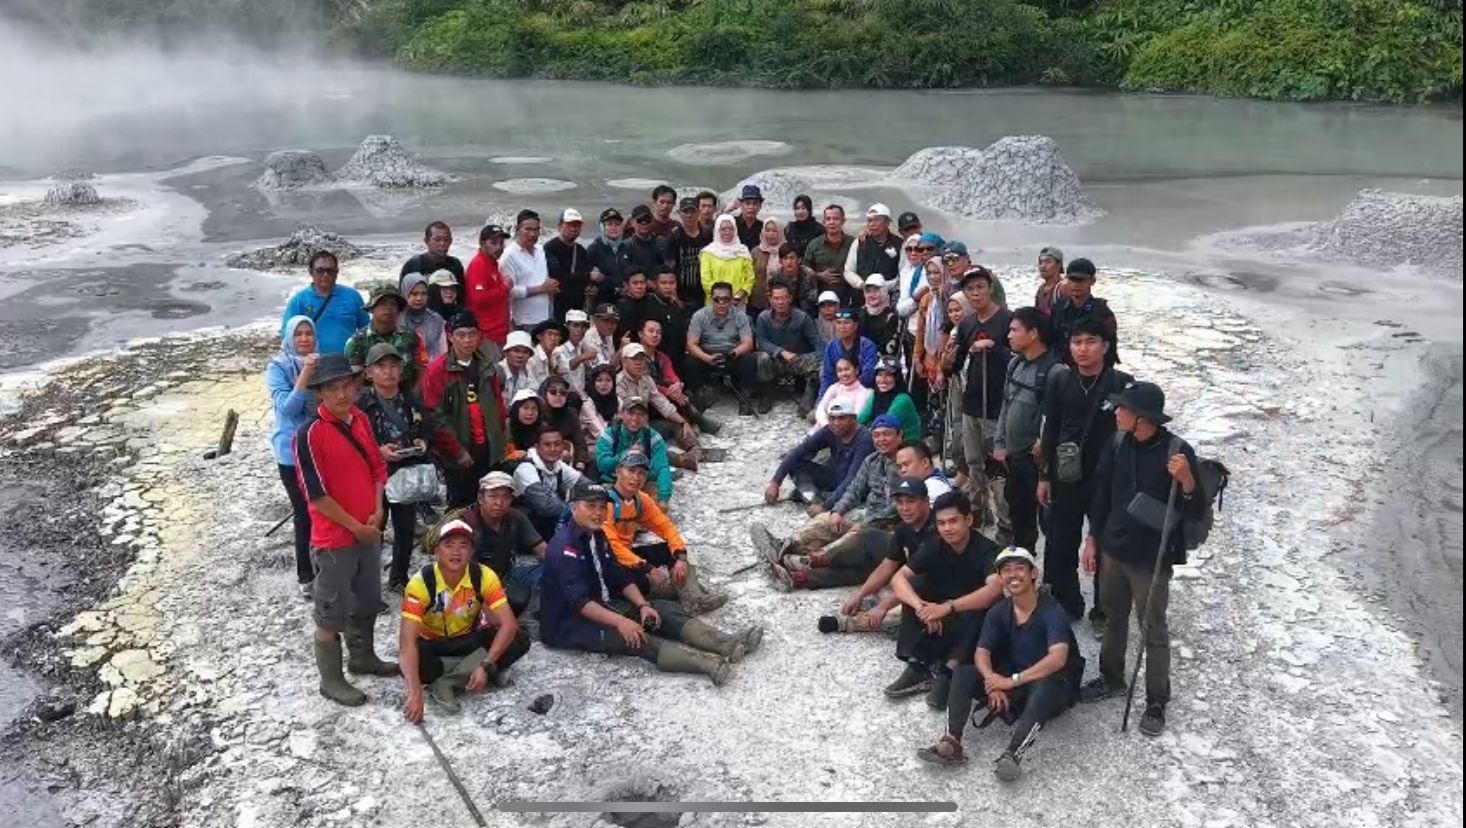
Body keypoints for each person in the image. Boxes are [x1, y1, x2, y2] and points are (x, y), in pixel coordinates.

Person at [540, 483, 762, 685]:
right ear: (573, 507)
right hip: (570, 624)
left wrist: (642, 605)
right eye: (591, 506)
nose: (598, 513)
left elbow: (617, 575)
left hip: (604, 602)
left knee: (663, 609)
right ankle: (708, 665)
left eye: (602, 507)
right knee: (637, 638)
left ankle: (729, 644)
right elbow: (581, 603)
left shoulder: (596, 535)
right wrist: (621, 622)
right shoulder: (564, 547)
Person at [1079, 381, 1204, 737]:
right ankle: (1112, 676)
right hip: (1114, 550)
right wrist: (1092, 540)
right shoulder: (1118, 443)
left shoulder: (1178, 452)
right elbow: (1101, 494)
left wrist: (1188, 481)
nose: (1116, 412)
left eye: (1123, 409)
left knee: (1153, 629)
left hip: (1151, 558)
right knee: (1114, 617)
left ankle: (1156, 700)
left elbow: (1195, 509)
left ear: (1142, 418)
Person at [916, 547, 1083, 779]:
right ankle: (951, 742)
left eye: (1019, 568)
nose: (1013, 575)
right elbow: (982, 652)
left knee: (1045, 686)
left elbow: (1058, 659)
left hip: (1053, 684)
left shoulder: (1052, 611)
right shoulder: (999, 611)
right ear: (1001, 578)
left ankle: (1012, 755)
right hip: (1013, 680)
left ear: (1034, 573)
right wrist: (992, 682)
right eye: (1006, 570)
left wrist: (1010, 682)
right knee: (965, 672)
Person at [292, 354, 398, 707]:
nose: (341, 395)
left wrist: (378, 511)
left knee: (366, 599)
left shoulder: (361, 420)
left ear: (355, 386)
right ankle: (331, 680)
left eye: (346, 386)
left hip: (368, 528)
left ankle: (362, 657)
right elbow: (317, 496)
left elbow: (376, 470)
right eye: (332, 389)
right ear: (319, 393)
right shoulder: (309, 434)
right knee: (330, 611)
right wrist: (355, 525)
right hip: (334, 538)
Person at [1039, 316, 1133, 621]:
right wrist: (1044, 475)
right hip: (1066, 474)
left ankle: (1103, 608)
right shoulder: (1060, 380)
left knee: (1105, 543)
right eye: (1077, 342)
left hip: (1108, 477)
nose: (1083, 349)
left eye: (1091, 342)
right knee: (1062, 539)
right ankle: (1068, 601)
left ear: (1105, 346)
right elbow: (1050, 429)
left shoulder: (1121, 384)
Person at [398, 518, 530, 722]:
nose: (456, 552)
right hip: (432, 643)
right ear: (436, 551)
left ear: (471, 552)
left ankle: (450, 681)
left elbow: (508, 624)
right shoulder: (420, 583)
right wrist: (415, 695)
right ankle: (476, 669)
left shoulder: (484, 576)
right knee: (416, 664)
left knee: (519, 639)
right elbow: (407, 642)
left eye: (463, 545)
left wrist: (484, 665)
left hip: (468, 638)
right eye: (448, 545)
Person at [357, 343, 465, 591]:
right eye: (381, 366)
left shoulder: (411, 399)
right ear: (369, 372)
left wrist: (422, 441)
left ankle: (398, 578)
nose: (388, 372)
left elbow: (426, 427)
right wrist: (378, 451)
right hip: (374, 478)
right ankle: (368, 586)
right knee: (375, 530)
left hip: (405, 474)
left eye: (394, 366)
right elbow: (355, 442)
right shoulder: (361, 405)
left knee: (405, 530)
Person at [753, 416, 903, 591]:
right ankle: (785, 546)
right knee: (827, 520)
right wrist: (837, 511)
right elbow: (854, 489)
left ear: (900, 436)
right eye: (877, 435)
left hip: (889, 527)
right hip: (867, 514)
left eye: (887, 435)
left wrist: (866, 525)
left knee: (854, 542)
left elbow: (898, 507)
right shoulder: (872, 460)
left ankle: (801, 566)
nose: (881, 440)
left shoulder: (906, 464)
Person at [884, 491, 1003, 704]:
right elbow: (898, 578)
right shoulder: (935, 545)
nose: (947, 528)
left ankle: (950, 672)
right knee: (915, 585)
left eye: (953, 521)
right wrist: (922, 607)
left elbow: (994, 590)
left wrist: (947, 608)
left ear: (968, 520)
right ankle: (918, 664)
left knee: (986, 607)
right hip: (942, 615)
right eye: (941, 523)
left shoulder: (987, 550)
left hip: (971, 619)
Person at [603, 449, 729, 613]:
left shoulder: (641, 500)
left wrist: (681, 556)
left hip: (628, 555)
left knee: (671, 551)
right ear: (618, 472)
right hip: (608, 562)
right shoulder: (604, 503)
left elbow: (665, 527)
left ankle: (693, 596)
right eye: (631, 471)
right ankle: (686, 590)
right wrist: (648, 568)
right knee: (642, 580)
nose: (635, 478)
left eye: (641, 473)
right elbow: (614, 548)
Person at [944, 267, 1013, 542]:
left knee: (998, 469)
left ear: (990, 288)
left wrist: (994, 349)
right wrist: (948, 363)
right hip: (972, 402)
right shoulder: (967, 324)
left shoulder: (1008, 320)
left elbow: (1019, 357)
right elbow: (955, 363)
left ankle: (1006, 526)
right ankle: (978, 513)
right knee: (973, 463)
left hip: (999, 407)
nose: (975, 293)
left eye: (980, 287)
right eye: (970, 289)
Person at [821, 477, 936, 634]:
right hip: (911, 585)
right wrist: (859, 594)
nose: (904, 508)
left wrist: (885, 606)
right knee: (873, 588)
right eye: (900, 502)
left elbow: (924, 581)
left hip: (938, 592)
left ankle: (846, 624)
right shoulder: (904, 529)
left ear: (925, 501)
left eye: (910, 501)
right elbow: (887, 566)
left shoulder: (937, 531)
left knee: (908, 612)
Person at [421, 311, 508, 508]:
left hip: (488, 446)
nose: (467, 340)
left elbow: (498, 406)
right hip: (459, 451)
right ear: (450, 337)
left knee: (489, 501)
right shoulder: (438, 370)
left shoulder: (487, 366)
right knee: (461, 506)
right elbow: (434, 416)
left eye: (472, 334)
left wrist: (501, 441)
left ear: (479, 336)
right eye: (461, 335)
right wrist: (457, 451)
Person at [993, 308, 1062, 556]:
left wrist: (1044, 441)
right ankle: (1022, 567)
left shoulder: (1055, 372)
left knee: (1050, 523)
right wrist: (999, 443)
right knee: (1019, 519)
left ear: (1033, 334)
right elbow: (1006, 404)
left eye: (1014, 330)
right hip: (1014, 459)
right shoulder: (1015, 364)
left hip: (1038, 464)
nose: (1008, 335)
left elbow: (1058, 417)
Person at [267, 316, 319, 599]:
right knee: (303, 513)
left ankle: (324, 564)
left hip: (319, 446)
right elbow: (287, 409)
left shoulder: (320, 361)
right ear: (289, 337)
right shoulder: (277, 367)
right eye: (298, 334)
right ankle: (305, 574)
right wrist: (306, 375)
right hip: (290, 451)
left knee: (325, 507)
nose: (304, 339)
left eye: (308, 333)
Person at [454, 471, 548, 614]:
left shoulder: (515, 518)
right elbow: (458, 570)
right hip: (472, 583)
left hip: (505, 575)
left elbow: (542, 549)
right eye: (493, 496)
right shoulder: (467, 524)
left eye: (506, 497)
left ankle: (535, 617)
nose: (499, 503)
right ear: (481, 498)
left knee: (547, 573)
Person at [762, 399, 873, 508]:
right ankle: (812, 496)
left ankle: (815, 496)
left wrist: (825, 506)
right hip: (837, 477)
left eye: (842, 418)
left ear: (853, 419)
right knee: (794, 462)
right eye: (832, 418)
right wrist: (775, 482)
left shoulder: (864, 440)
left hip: (857, 487)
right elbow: (798, 451)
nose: (836, 423)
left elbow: (852, 479)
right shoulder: (830, 430)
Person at [684, 282, 759, 416]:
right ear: (711, 299)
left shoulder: (740, 316)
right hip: (707, 354)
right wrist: (706, 358)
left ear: (731, 300)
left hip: (732, 354)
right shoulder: (699, 316)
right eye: (717, 299)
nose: (721, 303)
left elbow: (748, 343)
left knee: (749, 359)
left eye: (726, 299)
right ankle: (699, 395)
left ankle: (745, 397)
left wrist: (732, 354)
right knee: (689, 360)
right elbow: (691, 344)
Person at [640, 318, 721, 436]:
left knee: (690, 395)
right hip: (648, 397)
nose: (655, 335)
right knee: (680, 398)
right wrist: (669, 391)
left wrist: (677, 386)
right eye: (651, 331)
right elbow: (646, 382)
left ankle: (692, 420)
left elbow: (671, 375)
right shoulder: (636, 356)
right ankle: (695, 420)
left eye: (658, 332)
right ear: (640, 333)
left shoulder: (662, 356)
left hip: (668, 395)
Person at [753, 279, 822, 415]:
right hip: (775, 360)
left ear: (790, 298)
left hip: (796, 359)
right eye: (776, 298)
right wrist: (780, 352)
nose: (780, 302)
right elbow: (761, 341)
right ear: (770, 299)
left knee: (819, 364)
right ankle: (766, 393)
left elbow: (818, 343)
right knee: (762, 358)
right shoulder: (763, 318)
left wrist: (809, 357)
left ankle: (808, 399)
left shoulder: (802, 318)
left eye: (784, 298)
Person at [280, 251, 368, 356]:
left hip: (347, 365)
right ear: (311, 272)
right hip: (313, 366)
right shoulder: (299, 301)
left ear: (337, 272)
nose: (325, 275)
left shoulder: (352, 296)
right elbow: (287, 336)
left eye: (330, 271)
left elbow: (367, 330)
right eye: (320, 270)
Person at [617, 343, 699, 455]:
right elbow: (623, 415)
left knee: (676, 426)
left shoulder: (646, 379)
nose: (639, 362)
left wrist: (683, 422)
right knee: (650, 447)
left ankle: (695, 450)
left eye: (641, 358)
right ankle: (677, 461)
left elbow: (662, 403)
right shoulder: (619, 382)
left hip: (645, 423)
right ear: (624, 361)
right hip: (627, 428)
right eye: (634, 359)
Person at [594, 397, 674, 507]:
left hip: (643, 483)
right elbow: (603, 465)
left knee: (657, 507)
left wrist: (663, 499)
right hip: (613, 482)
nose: (635, 418)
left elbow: (662, 468)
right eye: (630, 413)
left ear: (646, 417)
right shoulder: (609, 435)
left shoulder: (654, 438)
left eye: (640, 414)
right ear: (621, 414)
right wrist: (626, 454)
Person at [345, 285, 427, 391]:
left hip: (406, 396)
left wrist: (414, 398)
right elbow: (353, 381)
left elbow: (421, 369)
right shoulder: (357, 342)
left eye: (393, 304)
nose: (388, 308)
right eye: (382, 303)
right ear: (372, 308)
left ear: (398, 309)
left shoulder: (412, 337)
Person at [512, 423, 584, 542]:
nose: (553, 449)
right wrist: (582, 511)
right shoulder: (525, 468)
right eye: (547, 445)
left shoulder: (560, 466)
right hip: (526, 534)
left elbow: (586, 486)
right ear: (537, 447)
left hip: (549, 529)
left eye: (557, 444)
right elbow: (546, 505)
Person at [1051, 258, 1120, 368]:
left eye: (1081, 280)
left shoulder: (1102, 313)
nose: (1075, 284)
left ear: (1092, 281)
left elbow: (1109, 352)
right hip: (1062, 368)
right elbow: (1053, 341)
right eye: (1072, 279)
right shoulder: (1059, 307)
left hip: (1091, 371)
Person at [502, 210, 557, 330]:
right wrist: (541, 289)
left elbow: (545, 280)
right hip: (525, 320)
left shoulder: (541, 250)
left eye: (536, 229)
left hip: (546, 315)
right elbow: (508, 291)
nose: (533, 234)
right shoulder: (509, 255)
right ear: (517, 229)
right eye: (528, 229)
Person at [463, 223, 512, 348]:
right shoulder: (478, 265)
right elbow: (479, 299)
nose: (499, 247)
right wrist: (505, 287)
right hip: (487, 335)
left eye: (501, 243)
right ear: (482, 243)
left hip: (499, 332)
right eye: (493, 243)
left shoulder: (493, 263)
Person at [543, 208, 593, 319]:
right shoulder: (549, 248)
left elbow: (587, 275)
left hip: (578, 308)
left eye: (577, 225)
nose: (573, 228)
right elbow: (559, 277)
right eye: (569, 225)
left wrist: (590, 283)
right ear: (560, 226)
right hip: (556, 307)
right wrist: (587, 276)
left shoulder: (581, 250)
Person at [842, 203, 902, 295]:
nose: (872, 224)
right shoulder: (859, 242)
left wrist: (883, 286)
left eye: (877, 220)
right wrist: (862, 285)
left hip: (889, 298)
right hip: (861, 298)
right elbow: (849, 271)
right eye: (869, 221)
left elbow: (903, 274)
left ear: (887, 222)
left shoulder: (899, 244)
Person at [819, 308, 878, 398]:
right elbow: (828, 376)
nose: (842, 327)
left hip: (863, 391)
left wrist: (849, 389)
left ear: (855, 325)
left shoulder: (867, 345)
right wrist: (821, 400)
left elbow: (869, 374)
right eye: (838, 323)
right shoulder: (831, 346)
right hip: (839, 391)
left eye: (846, 323)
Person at [665, 197, 711, 309]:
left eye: (692, 211)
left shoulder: (708, 235)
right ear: (680, 213)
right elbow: (669, 269)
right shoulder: (674, 236)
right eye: (686, 211)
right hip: (682, 296)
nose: (689, 215)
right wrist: (674, 296)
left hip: (704, 294)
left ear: (699, 212)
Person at [804, 204, 854, 306]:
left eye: (836, 219)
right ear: (824, 222)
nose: (832, 222)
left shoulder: (853, 243)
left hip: (849, 301)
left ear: (843, 221)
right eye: (828, 219)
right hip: (822, 302)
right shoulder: (814, 245)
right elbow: (804, 268)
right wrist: (818, 275)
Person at [859, 359, 920, 443]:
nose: (883, 380)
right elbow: (861, 419)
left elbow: (884, 424)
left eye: (888, 375)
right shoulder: (875, 395)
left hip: (905, 447)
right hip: (884, 442)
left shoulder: (903, 399)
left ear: (896, 378)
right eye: (879, 375)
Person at [700, 215, 755, 306]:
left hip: (737, 303)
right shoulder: (708, 253)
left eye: (731, 229)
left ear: (735, 230)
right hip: (715, 303)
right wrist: (723, 299)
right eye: (723, 229)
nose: (727, 232)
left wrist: (738, 296)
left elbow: (750, 279)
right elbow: (706, 281)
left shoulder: (743, 251)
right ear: (717, 230)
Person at [539, 374, 590, 468]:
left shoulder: (571, 414)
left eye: (563, 393)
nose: (558, 395)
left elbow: (580, 444)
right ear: (544, 394)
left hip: (568, 465)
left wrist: (580, 467)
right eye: (553, 392)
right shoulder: (538, 414)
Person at [398, 273, 448, 362]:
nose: (419, 298)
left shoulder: (436, 320)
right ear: (405, 293)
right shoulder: (396, 319)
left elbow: (444, 353)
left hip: (431, 371)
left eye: (423, 293)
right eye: (414, 293)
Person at [815, 357, 873, 432]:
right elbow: (821, 409)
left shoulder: (865, 392)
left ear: (856, 370)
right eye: (840, 370)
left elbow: (856, 417)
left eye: (847, 369)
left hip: (850, 432)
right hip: (828, 428)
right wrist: (826, 426)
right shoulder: (835, 388)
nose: (843, 374)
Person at [942, 241, 1006, 308]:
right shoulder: (947, 287)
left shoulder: (986, 279)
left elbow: (1001, 306)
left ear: (967, 258)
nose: (950, 264)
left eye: (954, 259)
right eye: (945, 261)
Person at [647, 268, 690, 366]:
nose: (668, 287)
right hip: (657, 359)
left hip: (678, 357)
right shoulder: (648, 304)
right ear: (655, 284)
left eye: (672, 283)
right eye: (663, 283)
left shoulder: (677, 305)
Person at [619, 205, 665, 291]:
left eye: (647, 220)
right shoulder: (625, 246)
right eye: (640, 220)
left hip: (660, 290)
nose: (644, 223)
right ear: (632, 222)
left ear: (652, 221)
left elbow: (668, 268)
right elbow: (626, 273)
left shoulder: (662, 242)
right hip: (636, 291)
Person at [586, 208, 628, 302]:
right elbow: (590, 278)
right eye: (609, 224)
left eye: (617, 224)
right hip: (602, 301)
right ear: (602, 227)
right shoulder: (593, 249)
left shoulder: (627, 247)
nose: (614, 227)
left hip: (625, 299)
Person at [858, 274, 901, 359]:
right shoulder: (861, 313)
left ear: (884, 292)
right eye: (868, 291)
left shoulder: (891, 317)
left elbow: (889, 350)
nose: (871, 295)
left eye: (875, 291)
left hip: (882, 363)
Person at [773, 241, 817, 313]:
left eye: (792, 258)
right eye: (785, 258)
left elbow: (813, 298)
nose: (789, 262)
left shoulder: (808, 274)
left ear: (799, 260)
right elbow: (773, 300)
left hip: (805, 312)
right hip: (782, 311)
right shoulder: (775, 277)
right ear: (780, 261)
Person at [558, 309, 595, 391]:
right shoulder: (559, 348)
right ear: (566, 327)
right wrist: (582, 357)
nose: (580, 330)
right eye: (575, 325)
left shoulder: (580, 345)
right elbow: (565, 366)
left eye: (583, 326)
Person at [750, 218, 782, 314]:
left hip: (780, 302)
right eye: (768, 230)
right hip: (757, 301)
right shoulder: (756, 251)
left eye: (774, 231)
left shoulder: (785, 251)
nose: (771, 234)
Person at [526, 319, 570, 388]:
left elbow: (565, 371)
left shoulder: (557, 354)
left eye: (556, 335)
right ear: (539, 336)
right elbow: (531, 386)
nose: (553, 338)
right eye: (549, 334)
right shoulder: (532, 357)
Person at [582, 364, 619, 443]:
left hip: (614, 440)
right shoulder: (588, 404)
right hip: (593, 443)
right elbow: (599, 432)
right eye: (599, 380)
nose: (603, 384)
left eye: (608, 380)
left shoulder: (618, 401)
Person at [505, 388, 545, 459]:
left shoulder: (543, 428)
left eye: (534, 408)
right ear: (516, 409)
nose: (530, 413)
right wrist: (513, 455)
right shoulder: (507, 427)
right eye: (525, 408)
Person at [615, 268, 653, 344]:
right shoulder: (620, 307)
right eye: (635, 283)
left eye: (642, 283)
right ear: (626, 285)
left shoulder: (652, 302)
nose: (639, 286)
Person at [583, 304, 623, 375]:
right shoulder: (589, 337)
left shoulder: (607, 334)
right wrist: (621, 350)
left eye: (613, 322)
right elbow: (606, 368)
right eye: (606, 321)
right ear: (595, 320)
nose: (610, 325)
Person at [498, 330, 537, 403]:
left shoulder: (527, 372)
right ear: (506, 353)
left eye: (525, 352)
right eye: (516, 351)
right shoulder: (497, 372)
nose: (520, 355)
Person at [1034, 246, 1065, 318]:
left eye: (1048, 262)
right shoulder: (1041, 289)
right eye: (1040, 262)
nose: (1043, 266)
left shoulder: (1063, 288)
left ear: (1059, 265)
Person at [733, 184, 764, 249]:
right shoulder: (732, 223)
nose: (751, 207)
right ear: (741, 205)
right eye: (747, 203)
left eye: (755, 204)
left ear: (760, 206)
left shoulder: (763, 227)